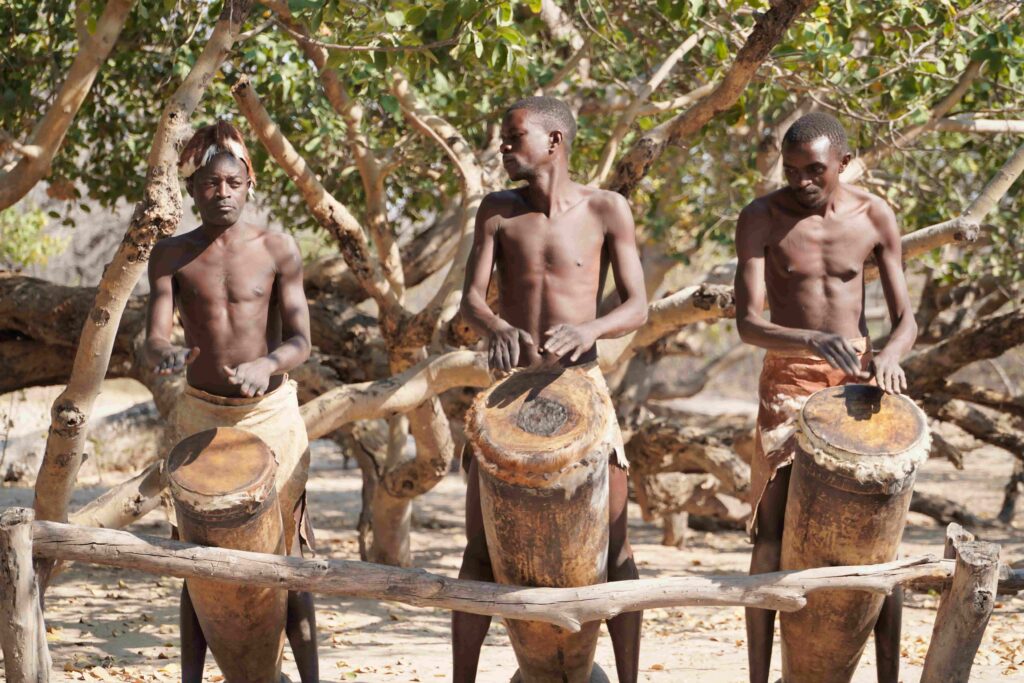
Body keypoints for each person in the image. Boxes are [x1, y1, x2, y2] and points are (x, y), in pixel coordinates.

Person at [452, 96, 648, 683]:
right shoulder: (498, 211)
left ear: (555, 142)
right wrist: (497, 327)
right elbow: (472, 301)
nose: (504, 147)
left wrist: (589, 328)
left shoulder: (606, 209)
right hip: (509, 395)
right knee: (479, 550)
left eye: (514, 137)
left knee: (615, 549)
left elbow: (637, 304)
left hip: (583, 390)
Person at [734, 112, 918, 683]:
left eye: (815, 170)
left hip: (857, 380)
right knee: (770, 533)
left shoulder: (874, 215)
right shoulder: (761, 217)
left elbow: (907, 319)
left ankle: (888, 675)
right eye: (792, 170)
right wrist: (810, 338)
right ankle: (760, 677)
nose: (803, 181)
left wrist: (888, 355)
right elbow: (747, 323)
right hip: (789, 375)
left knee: (880, 539)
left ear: (843, 160)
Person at [144, 121, 319, 683]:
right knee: (196, 558)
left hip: (270, 414)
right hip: (200, 413)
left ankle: (310, 676)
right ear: (193, 190)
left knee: (289, 552)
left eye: (232, 182)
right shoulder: (170, 254)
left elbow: (300, 340)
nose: (221, 193)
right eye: (210, 184)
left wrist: (265, 365)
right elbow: (155, 335)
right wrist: (163, 354)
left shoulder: (277, 249)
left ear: (249, 186)